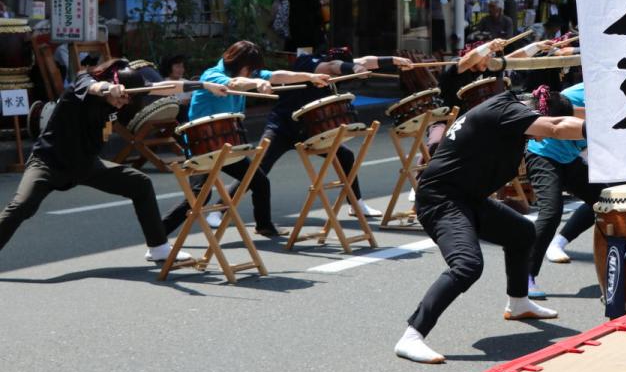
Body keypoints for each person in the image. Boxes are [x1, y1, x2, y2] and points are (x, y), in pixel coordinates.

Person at [394, 87, 585, 364]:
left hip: (467, 198)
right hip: (441, 201)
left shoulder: (514, 111)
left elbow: (563, 117)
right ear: (536, 113)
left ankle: (518, 303)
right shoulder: (505, 111)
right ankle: (412, 335)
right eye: (539, 129)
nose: (539, 137)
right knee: (467, 265)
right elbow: (555, 126)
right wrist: (598, 131)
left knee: (521, 233)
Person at [0, 58, 223, 264]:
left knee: (140, 184)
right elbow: (93, 85)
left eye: (128, 99)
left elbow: (160, 88)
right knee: (22, 206)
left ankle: (158, 247)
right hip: (49, 162)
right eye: (123, 97)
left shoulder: (118, 100)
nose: (123, 103)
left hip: (86, 164)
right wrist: (108, 88)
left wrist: (204, 86)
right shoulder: (83, 85)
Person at [161, 41, 332, 238]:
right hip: (204, 147)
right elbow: (234, 84)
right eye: (251, 69)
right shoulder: (213, 75)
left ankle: (264, 225)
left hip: (227, 146)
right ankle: (158, 237)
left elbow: (277, 75)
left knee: (259, 181)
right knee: (199, 196)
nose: (254, 73)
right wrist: (256, 83)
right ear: (240, 65)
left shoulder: (247, 74)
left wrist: (311, 76)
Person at [253, 48, 414, 220]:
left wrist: (395, 60)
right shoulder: (309, 63)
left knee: (345, 156)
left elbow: (366, 60)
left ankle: (356, 203)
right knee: (256, 168)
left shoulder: (338, 63)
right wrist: (354, 69)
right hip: (282, 127)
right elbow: (333, 65)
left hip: (309, 130)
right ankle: (221, 210)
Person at [524, 83, 603, 298]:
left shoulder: (623, 92)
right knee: (551, 212)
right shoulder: (575, 93)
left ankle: (623, 256)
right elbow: (545, 115)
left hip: (570, 159)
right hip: (543, 154)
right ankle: (525, 277)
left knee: (607, 201)